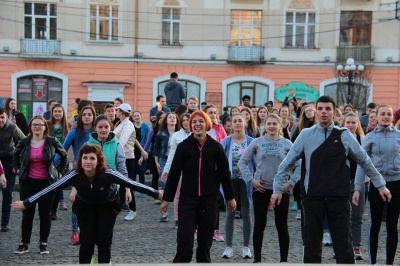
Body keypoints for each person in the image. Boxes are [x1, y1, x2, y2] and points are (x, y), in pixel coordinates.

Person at [271, 95, 391, 264]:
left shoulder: (345, 135)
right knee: (311, 248)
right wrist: (277, 189)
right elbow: (287, 163)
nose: (323, 112)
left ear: (334, 112)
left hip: (339, 197)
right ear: (316, 112)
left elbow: (365, 161)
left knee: (344, 248)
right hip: (312, 197)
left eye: (327, 109)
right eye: (320, 109)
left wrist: (381, 185)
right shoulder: (306, 135)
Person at [12, 144, 162, 264]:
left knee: (103, 240)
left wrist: (156, 193)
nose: (88, 162)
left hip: (107, 206)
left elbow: (131, 183)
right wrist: (27, 202)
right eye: (85, 158)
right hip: (85, 206)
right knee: (87, 241)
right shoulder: (75, 175)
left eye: (92, 158)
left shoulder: (108, 173)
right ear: (80, 160)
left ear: (98, 161)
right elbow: (51, 188)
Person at [160, 110, 236, 263]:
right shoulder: (183, 147)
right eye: (194, 122)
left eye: (201, 121)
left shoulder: (215, 147)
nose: (197, 124)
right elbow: (174, 174)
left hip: (209, 200)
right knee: (185, 240)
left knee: (205, 243)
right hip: (188, 199)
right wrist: (167, 199)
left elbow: (224, 174)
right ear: (190, 125)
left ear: (207, 124)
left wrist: (230, 197)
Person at [239, 114, 301, 263]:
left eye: (275, 124)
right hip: (260, 189)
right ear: (264, 126)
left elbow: (299, 165)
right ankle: (257, 260)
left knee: (282, 225)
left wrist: (290, 183)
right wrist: (251, 180)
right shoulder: (257, 142)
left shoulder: (287, 143)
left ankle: (284, 260)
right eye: (269, 124)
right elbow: (242, 162)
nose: (272, 126)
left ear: (280, 126)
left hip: (280, 190)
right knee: (259, 225)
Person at [13, 115, 68, 255]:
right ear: (31, 127)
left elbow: (64, 156)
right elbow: (15, 153)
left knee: (45, 214)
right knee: (27, 214)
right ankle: (24, 243)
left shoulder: (51, 141)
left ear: (45, 127)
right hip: (28, 182)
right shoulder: (25, 141)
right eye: (34, 125)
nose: (37, 127)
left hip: (47, 183)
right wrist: (18, 167)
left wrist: (60, 172)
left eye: (40, 125)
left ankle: (43, 243)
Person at [353, 104, 400, 265]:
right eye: (383, 114)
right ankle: (373, 262)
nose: (386, 116)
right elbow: (362, 164)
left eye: (388, 114)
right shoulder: (370, 137)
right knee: (376, 223)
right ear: (377, 117)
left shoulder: (399, 136)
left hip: (396, 184)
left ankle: (389, 262)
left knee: (393, 225)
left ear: (392, 117)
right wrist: (358, 188)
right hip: (376, 185)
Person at [221, 113, 255, 260]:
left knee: (247, 213)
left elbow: (257, 163)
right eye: (234, 121)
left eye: (240, 121)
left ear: (245, 123)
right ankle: (228, 247)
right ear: (231, 124)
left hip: (247, 181)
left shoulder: (252, 142)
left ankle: (246, 247)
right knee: (230, 213)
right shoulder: (226, 142)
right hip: (231, 180)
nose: (237, 124)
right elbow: (220, 163)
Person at [63, 105, 95, 245]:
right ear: (81, 117)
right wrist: (56, 167)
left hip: (95, 172)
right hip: (78, 171)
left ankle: (89, 232)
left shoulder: (97, 131)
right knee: (77, 202)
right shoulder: (74, 132)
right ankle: (75, 231)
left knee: (93, 203)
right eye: (84, 114)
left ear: (93, 116)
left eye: (89, 114)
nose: (87, 116)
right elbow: (62, 150)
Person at [341, 112, 366, 260]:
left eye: (353, 122)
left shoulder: (363, 139)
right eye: (348, 122)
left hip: (359, 182)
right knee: (341, 216)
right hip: (340, 183)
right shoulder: (338, 139)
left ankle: (356, 245)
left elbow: (367, 161)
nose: (350, 125)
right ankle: (342, 245)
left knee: (357, 216)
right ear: (343, 124)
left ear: (357, 125)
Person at [160, 113, 191, 228]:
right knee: (178, 194)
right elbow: (172, 154)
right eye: (183, 120)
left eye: (187, 120)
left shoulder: (196, 134)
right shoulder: (177, 135)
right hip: (180, 168)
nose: (185, 122)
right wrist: (166, 170)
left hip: (192, 170)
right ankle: (178, 219)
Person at [203, 104, 228, 241]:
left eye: (214, 112)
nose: (213, 115)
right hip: (201, 169)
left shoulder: (220, 129)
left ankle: (215, 230)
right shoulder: (201, 128)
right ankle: (198, 228)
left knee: (215, 200)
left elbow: (224, 146)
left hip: (216, 169)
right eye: (210, 112)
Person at [0, 107, 25, 232]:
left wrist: (18, 163)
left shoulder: (12, 128)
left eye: (2, 117)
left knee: (7, 193)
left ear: (6, 117)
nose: (0, 120)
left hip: (9, 160)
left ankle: (4, 223)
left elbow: (24, 141)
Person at [154, 112, 180, 222]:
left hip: (178, 161)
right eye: (170, 117)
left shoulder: (180, 134)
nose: (172, 119)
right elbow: (156, 149)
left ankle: (178, 214)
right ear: (166, 120)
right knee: (165, 186)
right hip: (164, 160)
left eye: (174, 117)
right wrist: (157, 163)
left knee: (179, 188)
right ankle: (164, 213)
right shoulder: (161, 134)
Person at [113, 103, 137, 218]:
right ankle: (118, 207)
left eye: (117, 110)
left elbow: (122, 141)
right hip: (120, 156)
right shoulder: (121, 124)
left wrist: (113, 151)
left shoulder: (127, 125)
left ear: (122, 112)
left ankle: (133, 209)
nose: (116, 112)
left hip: (127, 157)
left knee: (127, 183)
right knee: (120, 184)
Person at [47, 104, 70, 220]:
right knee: (48, 184)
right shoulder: (47, 124)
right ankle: (46, 207)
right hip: (49, 157)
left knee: (57, 184)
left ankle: (53, 210)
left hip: (62, 158)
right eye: (55, 111)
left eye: (59, 111)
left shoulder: (67, 126)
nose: (57, 113)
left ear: (63, 113)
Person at [132, 111, 150, 191]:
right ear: (133, 118)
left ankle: (142, 189)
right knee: (133, 170)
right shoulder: (131, 125)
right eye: (135, 116)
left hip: (143, 150)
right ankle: (132, 188)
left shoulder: (145, 126)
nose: (136, 117)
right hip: (132, 151)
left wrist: (145, 152)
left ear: (141, 116)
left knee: (141, 170)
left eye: (138, 115)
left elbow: (148, 140)